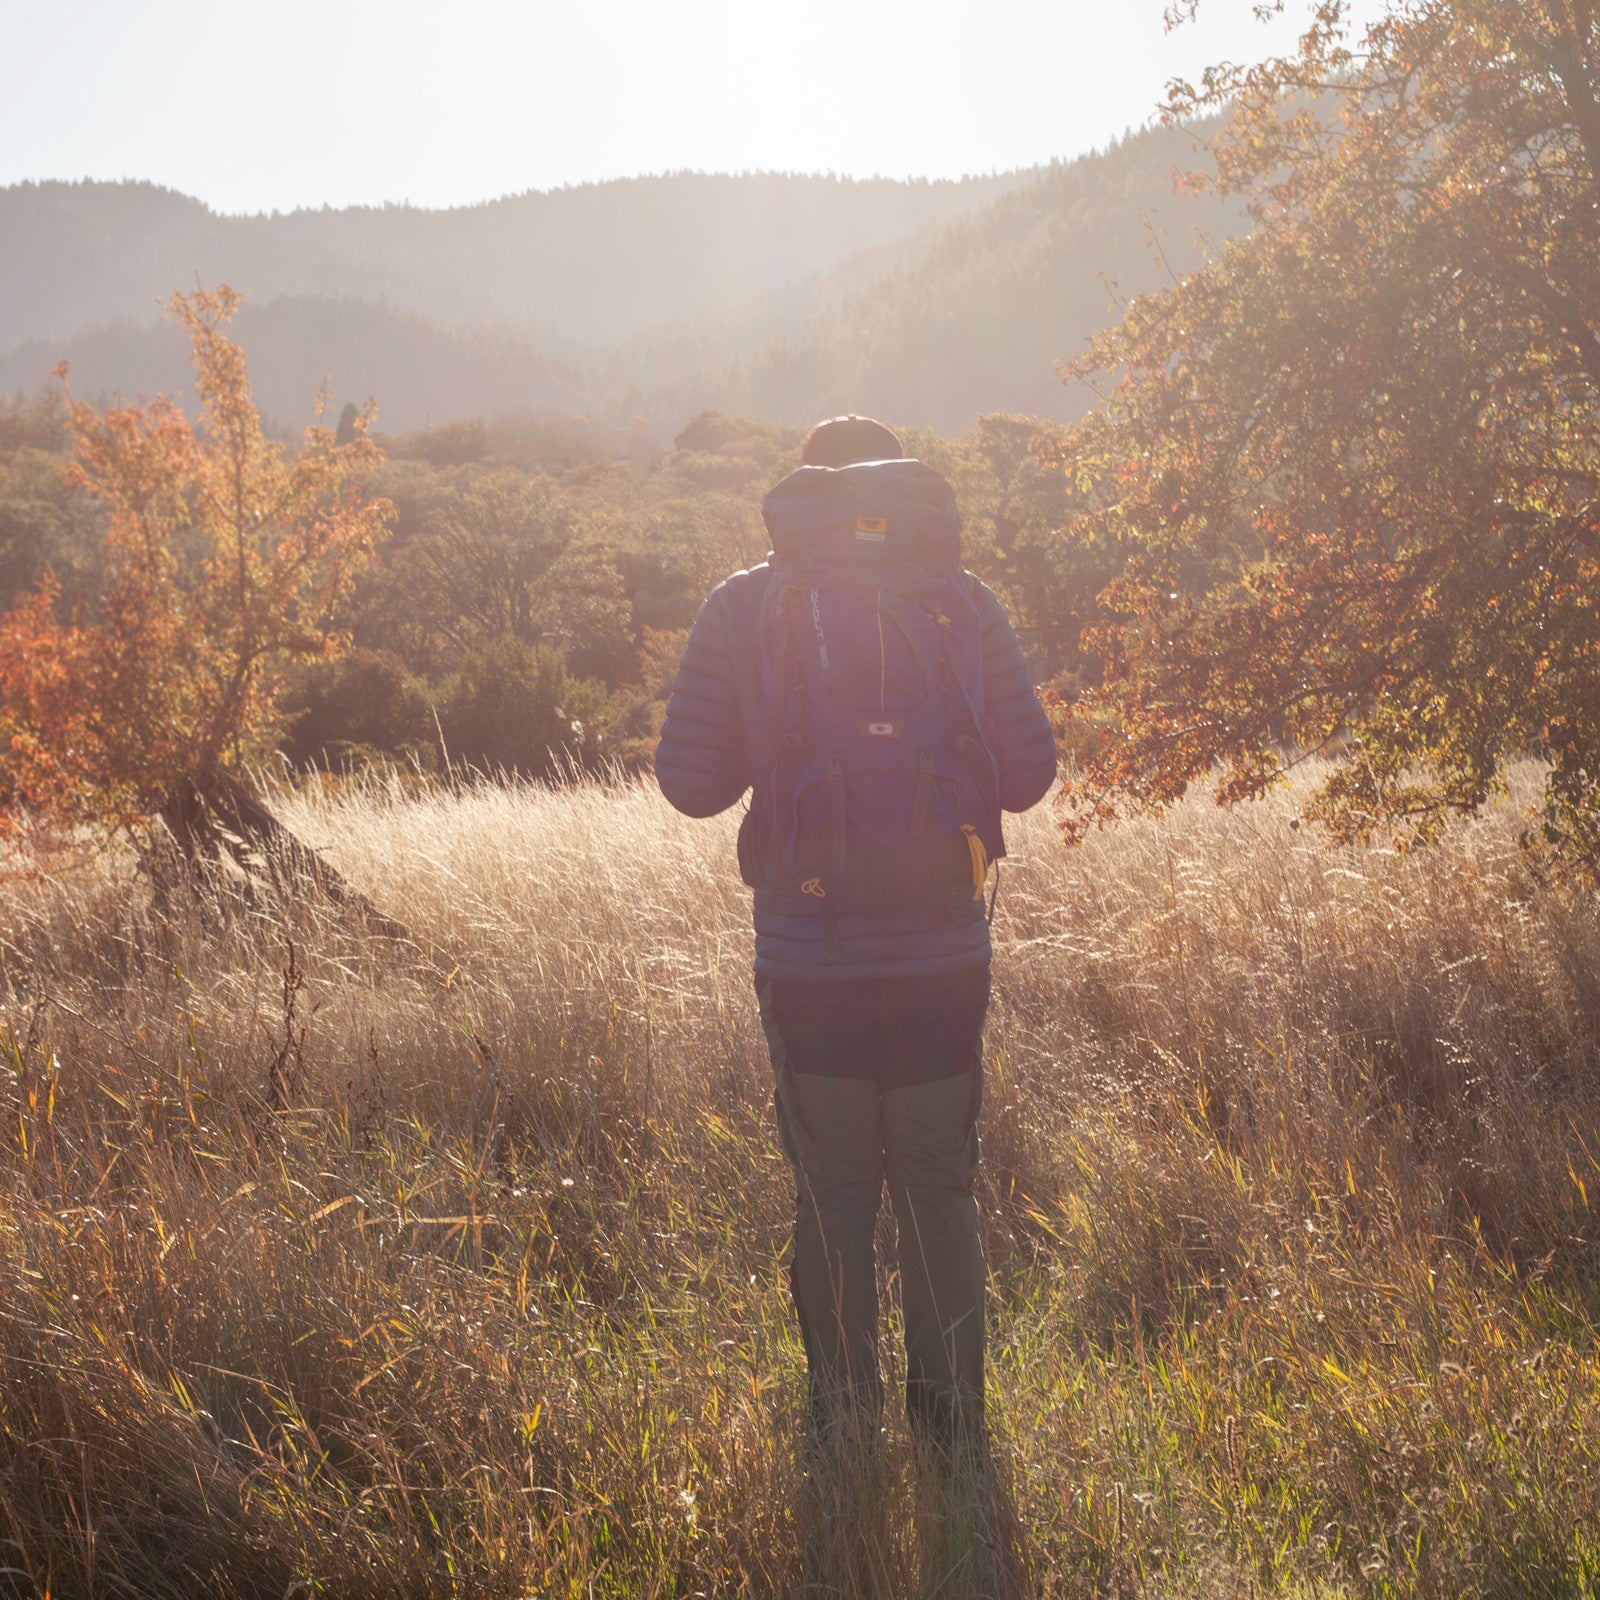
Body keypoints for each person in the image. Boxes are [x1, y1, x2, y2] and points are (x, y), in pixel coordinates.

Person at [655, 414, 1057, 1463]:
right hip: (940, 952)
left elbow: (689, 786)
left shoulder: (744, 605)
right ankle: (951, 1427)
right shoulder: (961, 601)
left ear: (803, 494)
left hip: (808, 954)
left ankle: (842, 1425)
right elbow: (1027, 776)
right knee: (938, 1179)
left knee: (833, 1189)